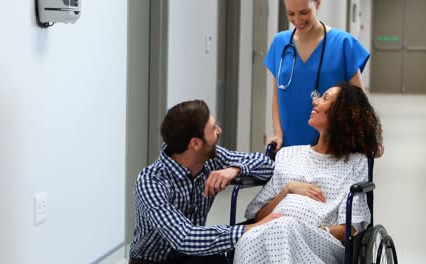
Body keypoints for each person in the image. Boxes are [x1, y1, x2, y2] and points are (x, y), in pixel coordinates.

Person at [234, 83, 382, 263]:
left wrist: (309, 228)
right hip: (270, 232)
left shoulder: (354, 162)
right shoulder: (288, 155)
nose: (315, 102)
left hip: (320, 241)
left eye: (325, 98)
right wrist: (287, 190)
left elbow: (350, 228)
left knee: (284, 228)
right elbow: (258, 217)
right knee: (249, 239)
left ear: (341, 114)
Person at [128, 100, 281, 264]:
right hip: (152, 260)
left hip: (190, 256)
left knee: (219, 257)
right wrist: (252, 229)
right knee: (235, 239)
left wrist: (236, 169)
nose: (219, 130)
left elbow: (269, 166)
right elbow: (185, 238)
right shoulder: (151, 182)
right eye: (214, 128)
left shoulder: (211, 159)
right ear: (195, 144)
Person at [267, 0, 370, 151]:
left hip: (331, 146)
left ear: (318, 4)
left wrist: (367, 137)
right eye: (290, 14)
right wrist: (277, 133)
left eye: (304, 12)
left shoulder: (343, 43)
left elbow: (359, 100)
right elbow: (277, 96)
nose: (297, 20)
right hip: (289, 146)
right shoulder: (280, 43)